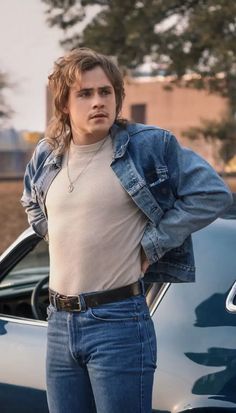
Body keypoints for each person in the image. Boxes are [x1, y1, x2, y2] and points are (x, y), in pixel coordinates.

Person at [21, 47, 233, 413]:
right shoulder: (47, 154)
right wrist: (62, 239)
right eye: (85, 94)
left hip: (118, 322)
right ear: (64, 104)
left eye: (106, 92)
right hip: (58, 322)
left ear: (118, 97)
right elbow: (31, 203)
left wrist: (152, 244)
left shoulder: (147, 146)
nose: (98, 102)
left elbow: (211, 194)